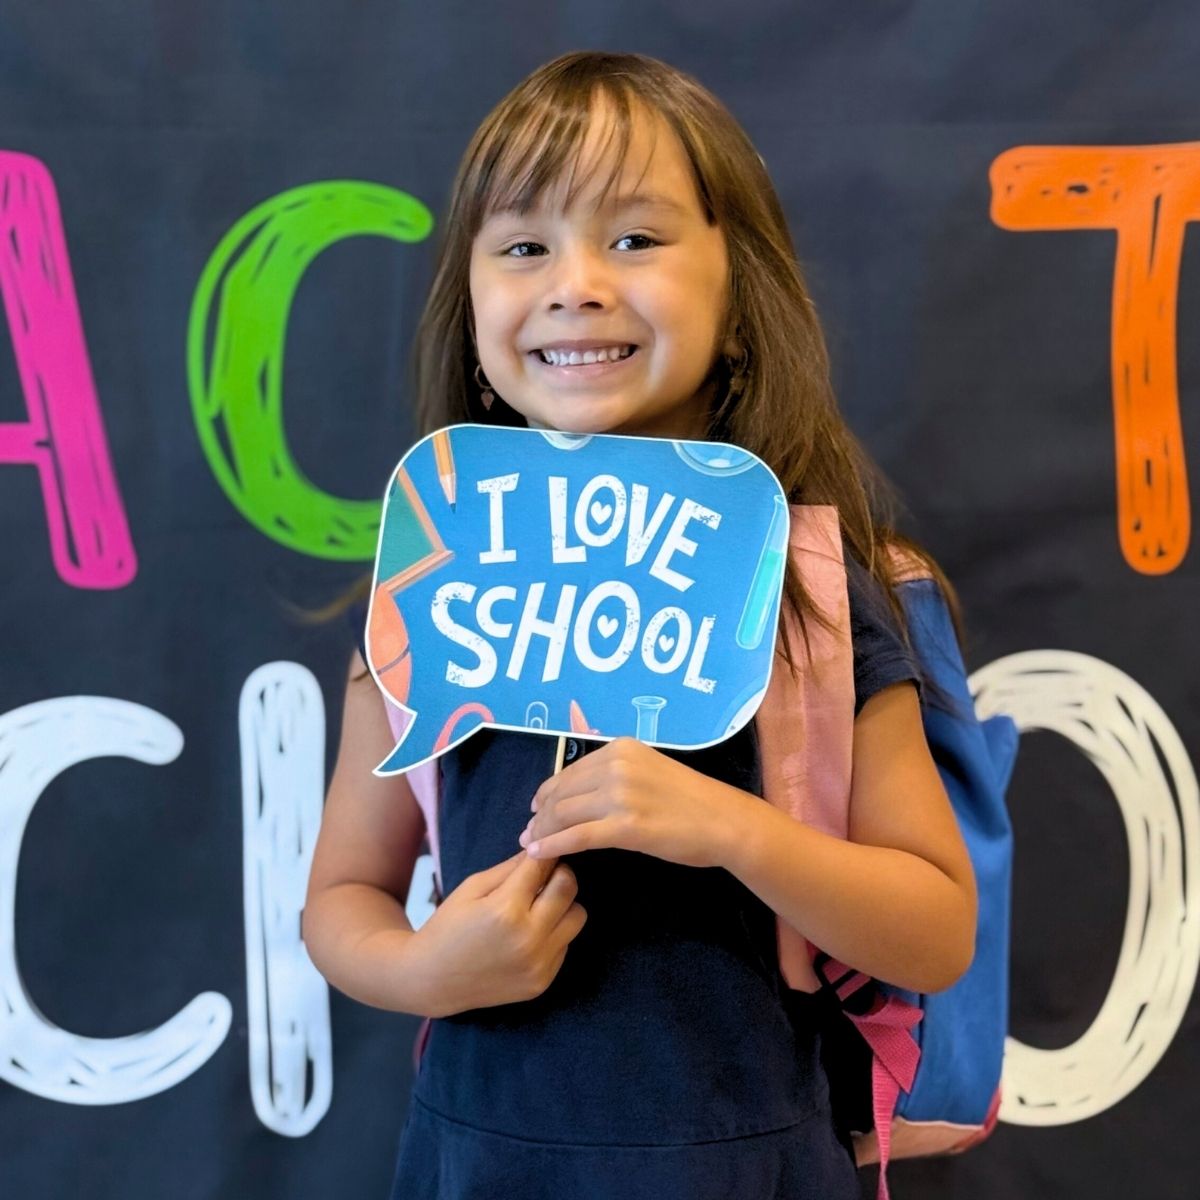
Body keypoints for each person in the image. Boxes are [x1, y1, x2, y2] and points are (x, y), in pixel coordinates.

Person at [302, 50, 978, 1200]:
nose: (576, 283)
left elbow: (937, 928)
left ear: (739, 296)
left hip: (746, 1163)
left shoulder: (808, 594)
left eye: (634, 238)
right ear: (472, 310)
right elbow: (341, 897)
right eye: (525, 247)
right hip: (478, 1164)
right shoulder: (429, 585)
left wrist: (734, 831)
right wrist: (423, 968)